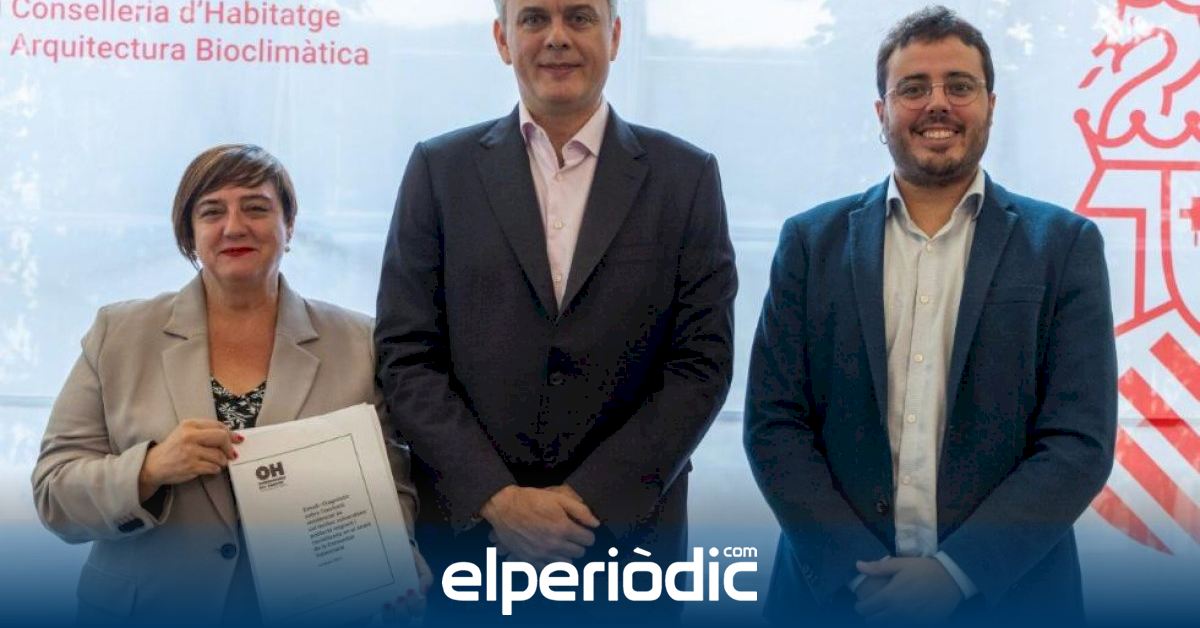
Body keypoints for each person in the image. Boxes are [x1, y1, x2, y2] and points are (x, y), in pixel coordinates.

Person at [744, 5, 1117, 624]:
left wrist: (957, 573)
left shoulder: (1063, 246)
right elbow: (774, 424)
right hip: (835, 598)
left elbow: (1078, 441)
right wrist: (858, 576)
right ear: (881, 112)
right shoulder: (811, 243)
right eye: (913, 88)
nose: (937, 103)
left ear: (990, 105)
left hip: (1008, 598)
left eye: (959, 86)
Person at [374, 0, 736, 621]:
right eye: (535, 18)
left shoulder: (686, 176)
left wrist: (587, 501)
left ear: (614, 36)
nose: (557, 37)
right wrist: (497, 497)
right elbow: (406, 356)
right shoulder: (439, 170)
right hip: (472, 545)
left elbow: (701, 365)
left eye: (580, 18)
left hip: (627, 547)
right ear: (502, 39)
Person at [32, 144, 429, 624]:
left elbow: (393, 488)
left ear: (289, 226)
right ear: (189, 233)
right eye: (212, 211)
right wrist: (148, 470)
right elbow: (53, 494)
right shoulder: (117, 334)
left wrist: (395, 568)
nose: (234, 226)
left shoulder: (360, 341)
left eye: (256, 208)